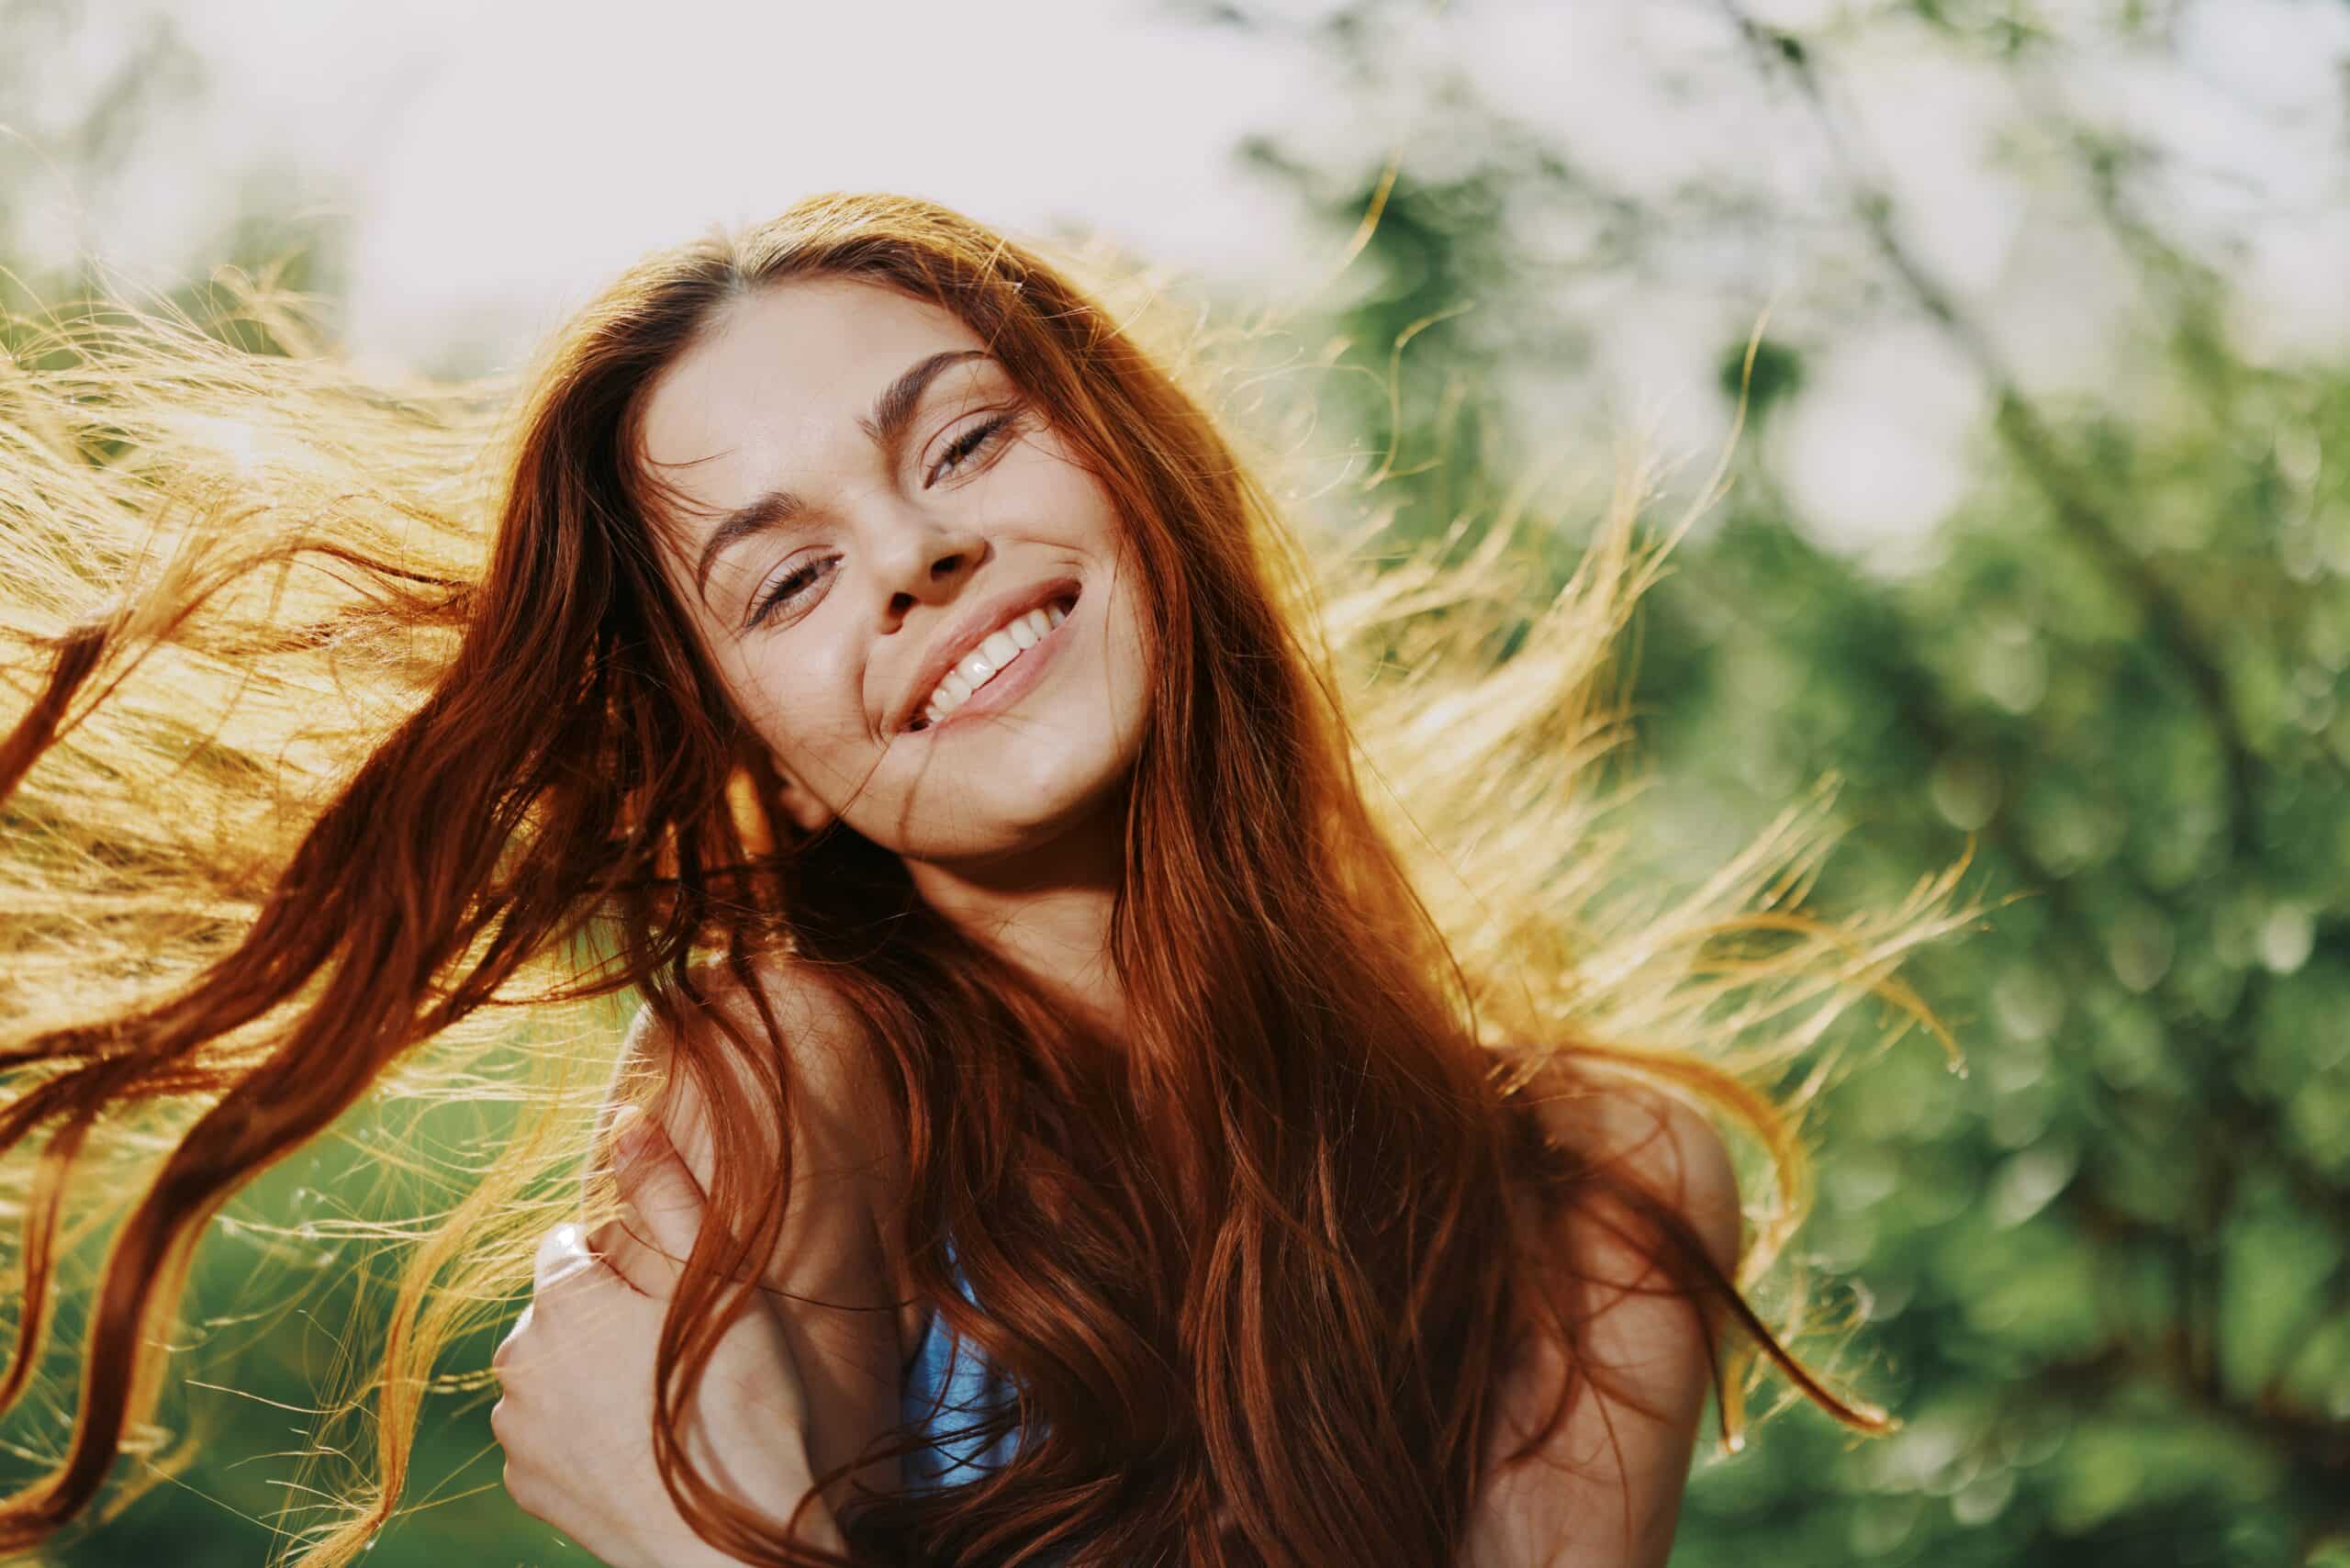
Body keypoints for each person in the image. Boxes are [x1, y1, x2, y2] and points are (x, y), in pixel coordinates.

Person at [0, 192, 1975, 1566]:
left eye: (956, 444)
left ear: (1128, 467)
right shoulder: (797, 1070)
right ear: (756, 742)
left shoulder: (1598, 1188)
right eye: (782, 575)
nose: (909, 558)